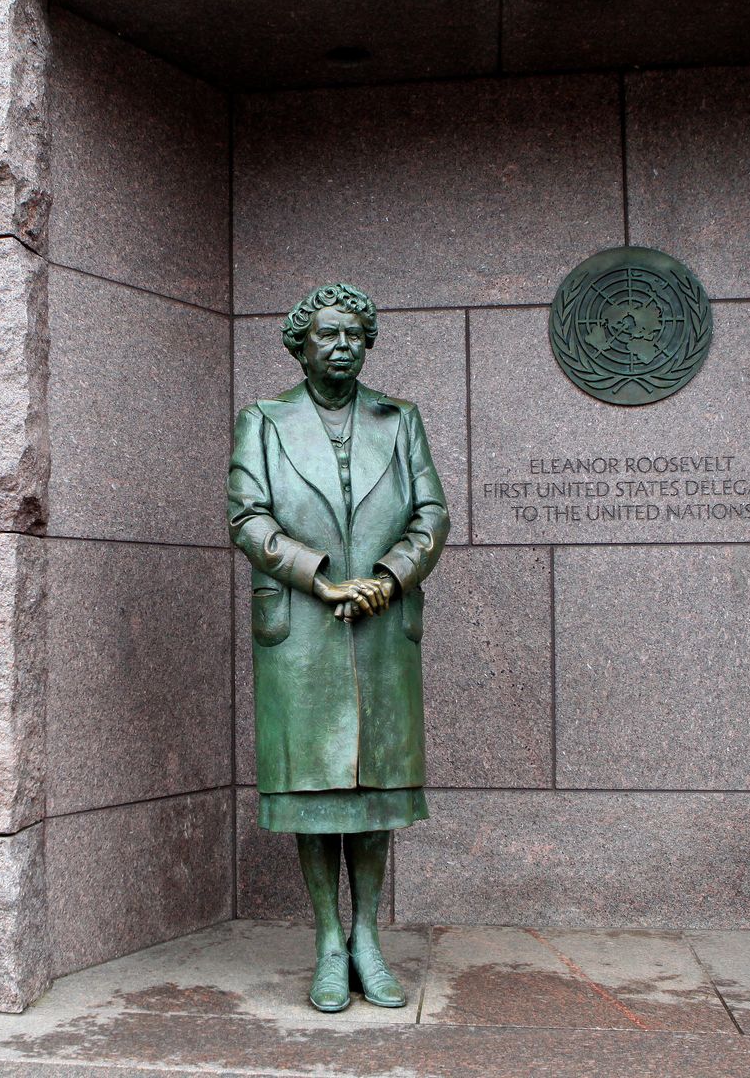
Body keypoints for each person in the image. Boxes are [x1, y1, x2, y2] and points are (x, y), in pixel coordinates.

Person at [227, 283, 448, 1013]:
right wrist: (319, 579)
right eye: (329, 334)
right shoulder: (263, 420)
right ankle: (327, 940)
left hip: (383, 625)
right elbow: (247, 518)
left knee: (375, 791)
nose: (344, 345)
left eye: (356, 334)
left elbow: (431, 513)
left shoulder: (401, 418)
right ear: (301, 343)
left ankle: (366, 937)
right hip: (302, 627)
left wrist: (390, 575)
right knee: (315, 791)